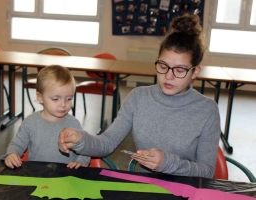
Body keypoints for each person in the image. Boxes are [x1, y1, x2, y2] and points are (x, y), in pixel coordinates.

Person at [58, 14, 221, 178]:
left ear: (195, 72)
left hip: (187, 191)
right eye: (163, 66)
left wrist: (167, 163)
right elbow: (107, 142)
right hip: (147, 188)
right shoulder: (139, 97)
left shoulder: (207, 110)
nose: (169, 76)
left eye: (179, 70)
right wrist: (80, 140)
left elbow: (206, 172)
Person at [1, 65, 90, 169]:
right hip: (37, 174)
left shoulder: (74, 124)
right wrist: (12, 154)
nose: (63, 104)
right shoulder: (31, 122)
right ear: (40, 97)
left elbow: (84, 148)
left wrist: (81, 161)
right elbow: (17, 144)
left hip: (65, 176)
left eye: (69, 99)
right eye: (56, 99)